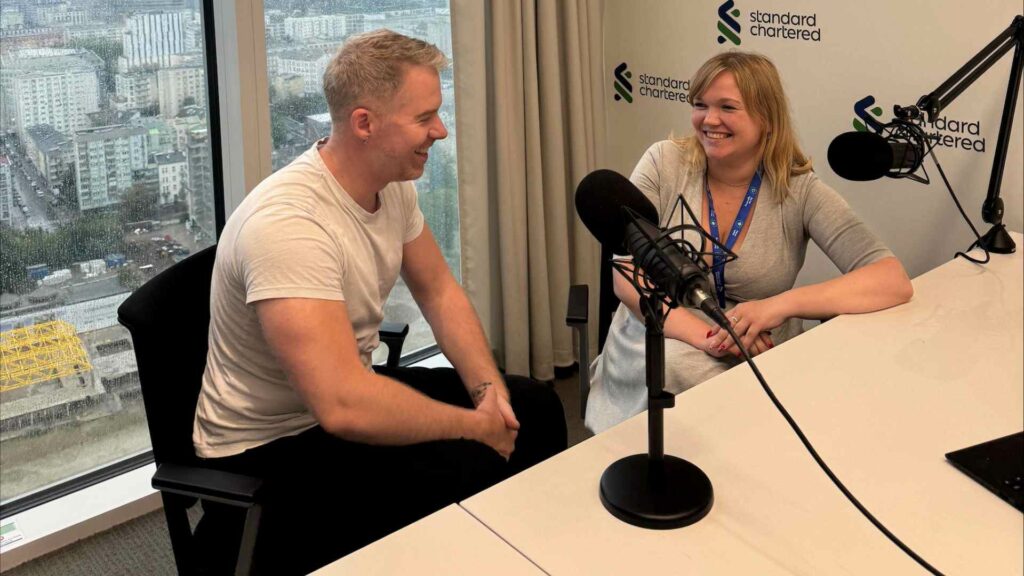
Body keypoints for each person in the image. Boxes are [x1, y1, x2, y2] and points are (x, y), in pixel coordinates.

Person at [192, 30, 566, 574]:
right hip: (269, 448)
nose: (440, 131)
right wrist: (473, 426)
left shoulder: (391, 183)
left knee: (531, 408)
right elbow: (342, 405)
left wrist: (488, 395)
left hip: (344, 401)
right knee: (471, 461)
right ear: (364, 123)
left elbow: (438, 292)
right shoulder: (289, 227)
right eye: (425, 118)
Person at [585, 51, 913, 434]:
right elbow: (626, 273)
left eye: (727, 107)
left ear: (766, 119)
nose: (709, 120)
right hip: (662, 337)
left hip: (759, 352)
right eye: (700, 105)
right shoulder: (664, 163)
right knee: (676, 370)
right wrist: (710, 338)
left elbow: (892, 279)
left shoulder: (799, 190)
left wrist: (779, 306)